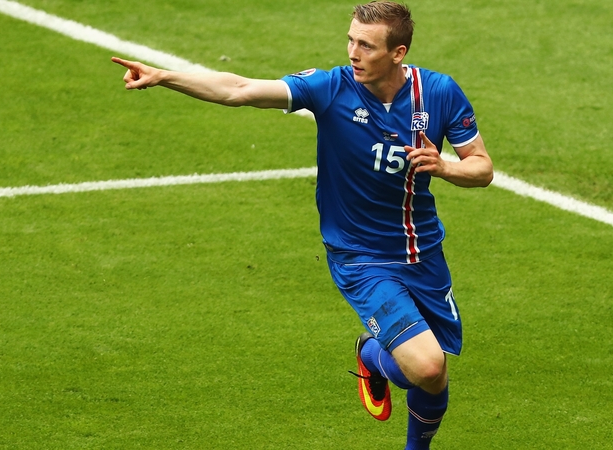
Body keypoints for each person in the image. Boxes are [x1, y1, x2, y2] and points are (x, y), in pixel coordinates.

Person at [112, 2, 493, 448]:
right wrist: (164, 76)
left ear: (398, 52)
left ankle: (376, 359)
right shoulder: (330, 87)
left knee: (434, 372)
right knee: (426, 366)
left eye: (366, 45)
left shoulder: (440, 93)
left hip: (423, 253)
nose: (352, 52)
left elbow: (482, 169)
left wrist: (444, 168)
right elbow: (238, 88)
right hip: (361, 257)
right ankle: (374, 355)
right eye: (350, 39)